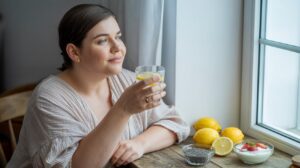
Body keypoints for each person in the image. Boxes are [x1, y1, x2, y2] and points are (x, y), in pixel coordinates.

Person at [7, 4, 190, 168]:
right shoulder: (48, 98)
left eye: (118, 37)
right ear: (74, 52)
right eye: (102, 40)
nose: (117, 47)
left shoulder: (126, 79)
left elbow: (174, 123)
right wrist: (123, 108)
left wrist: (139, 144)